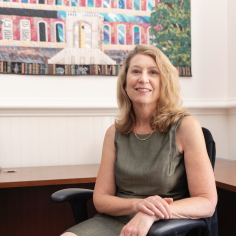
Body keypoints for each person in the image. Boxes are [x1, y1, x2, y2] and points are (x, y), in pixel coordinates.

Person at [62, 45, 217, 236]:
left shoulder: (186, 127)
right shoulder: (114, 133)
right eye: (136, 71)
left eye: (153, 72)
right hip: (113, 221)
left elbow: (206, 202)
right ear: (125, 83)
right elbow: (101, 199)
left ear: (164, 82)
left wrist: (151, 214)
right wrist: (138, 205)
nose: (143, 79)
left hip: (163, 225)